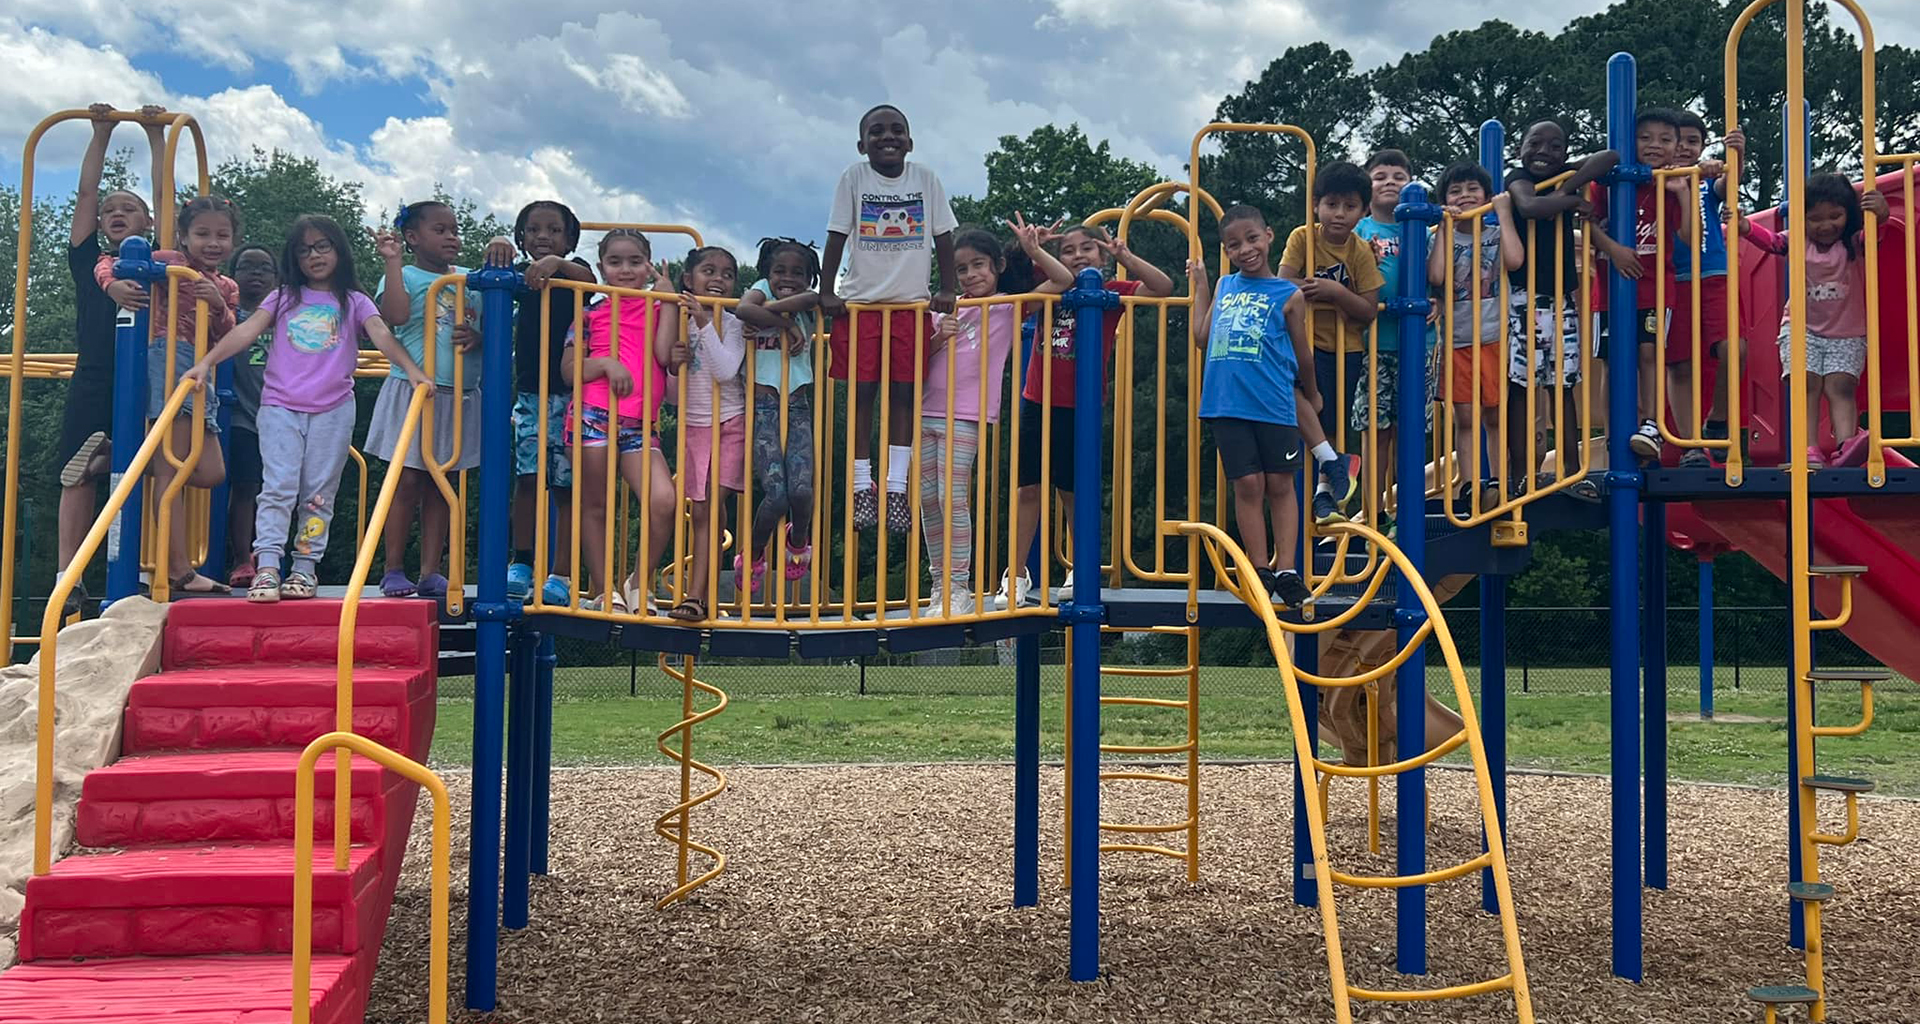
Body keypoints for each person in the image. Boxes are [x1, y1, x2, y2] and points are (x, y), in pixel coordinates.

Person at [183, 215, 430, 602]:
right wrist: (207, 363)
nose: (313, 256)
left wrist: (414, 371)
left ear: (338, 251)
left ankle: (303, 568)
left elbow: (382, 334)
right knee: (278, 487)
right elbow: (246, 331)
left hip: (332, 408)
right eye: (304, 250)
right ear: (293, 259)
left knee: (318, 494)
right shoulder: (283, 297)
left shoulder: (353, 301)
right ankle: (267, 566)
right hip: (281, 405)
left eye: (322, 246)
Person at [995, 222, 1174, 608]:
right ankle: (1017, 572)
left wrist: (1126, 257)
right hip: (1037, 400)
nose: (1078, 256)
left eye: (1087, 249)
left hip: (1082, 406)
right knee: (1028, 488)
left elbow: (1163, 287)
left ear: (1102, 256)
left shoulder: (1111, 292)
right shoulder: (1054, 284)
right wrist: (1030, 246)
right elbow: (1010, 277)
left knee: (1074, 492)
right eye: (1069, 250)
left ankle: (1081, 567)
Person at [918, 217, 1072, 617]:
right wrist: (938, 337)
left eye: (978, 266)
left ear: (997, 266)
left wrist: (1034, 250)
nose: (970, 276)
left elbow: (1062, 280)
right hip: (925, 410)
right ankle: (939, 586)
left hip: (965, 414)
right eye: (961, 269)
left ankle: (958, 587)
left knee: (952, 498)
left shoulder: (1006, 306)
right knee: (928, 502)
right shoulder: (941, 308)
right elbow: (911, 364)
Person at [819, 104, 958, 536]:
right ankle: (863, 485)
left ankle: (896, 488)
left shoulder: (925, 180)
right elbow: (837, 237)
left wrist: (948, 286)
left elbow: (944, 237)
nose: (887, 137)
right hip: (862, 304)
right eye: (876, 132)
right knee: (862, 396)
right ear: (862, 145)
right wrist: (827, 290)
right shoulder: (854, 178)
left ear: (910, 142)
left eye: (897, 130)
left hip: (910, 305)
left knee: (902, 396)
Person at [53, 103, 168, 612]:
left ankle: (147, 565)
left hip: (147, 373)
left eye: (130, 208)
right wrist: (100, 133)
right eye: (109, 211)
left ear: (147, 222)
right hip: (97, 374)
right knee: (73, 475)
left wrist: (156, 137)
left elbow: (166, 196)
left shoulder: (159, 258)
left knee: (147, 467)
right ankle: (67, 573)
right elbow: (83, 195)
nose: (116, 213)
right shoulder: (90, 262)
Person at [99, 193, 242, 594]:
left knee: (211, 472)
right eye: (202, 234)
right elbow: (107, 261)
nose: (213, 243)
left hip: (203, 370)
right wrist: (113, 287)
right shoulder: (170, 264)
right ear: (183, 235)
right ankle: (179, 567)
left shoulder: (224, 286)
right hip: (170, 359)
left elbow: (229, 335)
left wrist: (218, 307)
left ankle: (123, 456)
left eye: (222, 235)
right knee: (175, 468)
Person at [1189, 205, 1317, 609]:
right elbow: (1202, 337)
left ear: (1269, 236)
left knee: (1280, 484)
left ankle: (1288, 570)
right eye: (1234, 245)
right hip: (1227, 403)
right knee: (1247, 484)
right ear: (1226, 251)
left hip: (1274, 403)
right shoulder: (1226, 285)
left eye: (1251, 239)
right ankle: (1260, 568)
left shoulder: (1288, 294)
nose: (1245, 249)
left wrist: (1312, 393)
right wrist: (1203, 287)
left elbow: (1303, 353)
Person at [366, 200, 489, 598]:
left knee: (444, 484)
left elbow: (492, 328)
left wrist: (479, 339)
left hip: (460, 396)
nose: (451, 236)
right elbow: (395, 317)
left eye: (454, 229)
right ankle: (394, 568)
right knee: (408, 481)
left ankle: (431, 570)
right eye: (440, 230)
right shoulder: (406, 275)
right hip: (416, 391)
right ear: (413, 238)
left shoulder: (473, 279)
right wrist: (391, 263)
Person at [1736, 177, 1901, 467]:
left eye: (1835, 216)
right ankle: (1808, 448)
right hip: (1802, 328)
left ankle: (1846, 445)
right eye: (1815, 219)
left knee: (1841, 386)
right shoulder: (1798, 241)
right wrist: (1746, 228)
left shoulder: (1853, 242)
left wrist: (1882, 215)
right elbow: (1772, 242)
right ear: (1803, 218)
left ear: (1849, 213)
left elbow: (1875, 234)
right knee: (1806, 383)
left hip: (1847, 331)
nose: (1825, 226)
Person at [561, 229, 681, 613]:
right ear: (602, 268)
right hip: (592, 415)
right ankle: (602, 588)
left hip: (639, 424)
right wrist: (604, 363)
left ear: (649, 265)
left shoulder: (661, 307)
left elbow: (663, 354)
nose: (625, 270)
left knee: (664, 500)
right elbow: (568, 370)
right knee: (595, 504)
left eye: (635, 262)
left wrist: (669, 296)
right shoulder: (589, 313)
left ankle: (637, 580)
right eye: (615, 262)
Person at [1502, 120, 1618, 499]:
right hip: (1523, 298)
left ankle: (1570, 471)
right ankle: (1521, 474)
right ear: (1520, 147)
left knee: (1562, 386)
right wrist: (1570, 200)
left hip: (1560, 299)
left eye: (1555, 146)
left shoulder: (1560, 175)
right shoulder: (1517, 177)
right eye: (1535, 143)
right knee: (1520, 387)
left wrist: (1565, 184)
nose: (1544, 152)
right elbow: (1530, 206)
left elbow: (1610, 156)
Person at [506, 200, 596, 606]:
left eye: (553, 230)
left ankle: (560, 573)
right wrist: (495, 242)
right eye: (533, 230)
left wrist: (557, 264)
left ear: (569, 239)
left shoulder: (574, 278)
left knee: (565, 486)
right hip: (530, 394)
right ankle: (521, 561)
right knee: (527, 479)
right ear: (521, 238)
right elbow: (488, 278)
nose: (543, 237)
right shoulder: (519, 279)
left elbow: (590, 279)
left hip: (572, 397)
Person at [1588, 108, 1689, 463]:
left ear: (1676, 146)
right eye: (1645, 137)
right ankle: (1614, 430)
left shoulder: (1672, 183)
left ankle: (1650, 424)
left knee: (1649, 354)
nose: (1654, 145)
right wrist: (1613, 250)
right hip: (1611, 288)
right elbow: (1587, 222)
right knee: (1613, 360)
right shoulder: (1607, 181)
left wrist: (1683, 192)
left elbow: (1689, 235)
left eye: (1665, 139)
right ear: (1629, 142)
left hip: (1656, 288)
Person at [1280, 160, 1378, 523]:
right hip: (1302, 345)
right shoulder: (1302, 238)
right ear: (1316, 205)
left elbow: (1368, 309)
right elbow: (1282, 284)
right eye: (1332, 205)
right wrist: (1310, 292)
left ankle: (1325, 498)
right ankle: (1328, 470)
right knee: (1300, 412)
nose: (1339, 214)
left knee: (1332, 425)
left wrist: (1335, 291)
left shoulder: (1360, 251)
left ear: (1363, 211)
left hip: (1344, 351)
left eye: (1350, 207)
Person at [1352, 149, 1435, 531]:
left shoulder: (1422, 229)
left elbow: (1440, 276)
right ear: (1367, 187)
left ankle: (1407, 509)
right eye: (1380, 176)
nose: (1389, 182)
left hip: (1418, 343)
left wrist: (1441, 301)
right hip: (1374, 344)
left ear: (1412, 185)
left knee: (1410, 431)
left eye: (1399, 177)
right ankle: (1373, 512)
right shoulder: (1360, 232)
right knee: (1376, 431)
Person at [1431, 164, 1524, 502]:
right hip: (1456, 340)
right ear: (1445, 200)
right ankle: (1470, 482)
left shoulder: (1497, 234)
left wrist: (1504, 215)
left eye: (1473, 189)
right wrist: (1443, 226)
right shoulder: (1441, 234)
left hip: (1496, 337)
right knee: (1465, 416)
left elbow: (1514, 261)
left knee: (1495, 413)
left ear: (1487, 195)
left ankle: (1498, 480)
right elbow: (1438, 276)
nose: (1465, 196)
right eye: (1456, 191)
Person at [736, 238, 823, 593]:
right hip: (763, 407)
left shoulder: (806, 301)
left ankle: (798, 541)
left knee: (802, 491)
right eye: (779, 271)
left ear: (809, 276)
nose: (788, 278)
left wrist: (775, 313)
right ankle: (754, 554)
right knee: (776, 495)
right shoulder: (759, 290)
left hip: (797, 405)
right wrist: (787, 326)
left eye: (798, 273)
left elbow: (813, 298)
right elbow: (744, 309)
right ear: (766, 273)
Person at [669, 247, 747, 623]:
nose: (718, 279)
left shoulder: (733, 324)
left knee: (711, 509)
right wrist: (673, 368)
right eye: (708, 271)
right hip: (694, 426)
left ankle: (697, 595)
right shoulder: (677, 323)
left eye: (727, 274)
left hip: (731, 422)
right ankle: (703, 594)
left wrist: (704, 323)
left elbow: (726, 371)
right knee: (703, 513)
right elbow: (671, 395)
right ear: (689, 280)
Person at [1668, 112, 1747, 468]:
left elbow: (1727, 187)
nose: (1684, 147)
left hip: (1713, 273)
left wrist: (1734, 158)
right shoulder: (1653, 181)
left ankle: (1717, 419)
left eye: (1693, 141)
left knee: (1735, 349)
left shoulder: (1704, 181)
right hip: (1672, 279)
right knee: (1680, 364)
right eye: (1678, 140)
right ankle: (1690, 445)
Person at [221, 244, 280, 588]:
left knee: (280, 488)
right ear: (234, 275)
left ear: (276, 278)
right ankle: (242, 557)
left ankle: (272, 555)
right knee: (246, 486)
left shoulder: (283, 314)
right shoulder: (229, 314)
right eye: (247, 267)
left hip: (280, 411)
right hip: (241, 412)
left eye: (264, 268)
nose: (256, 274)